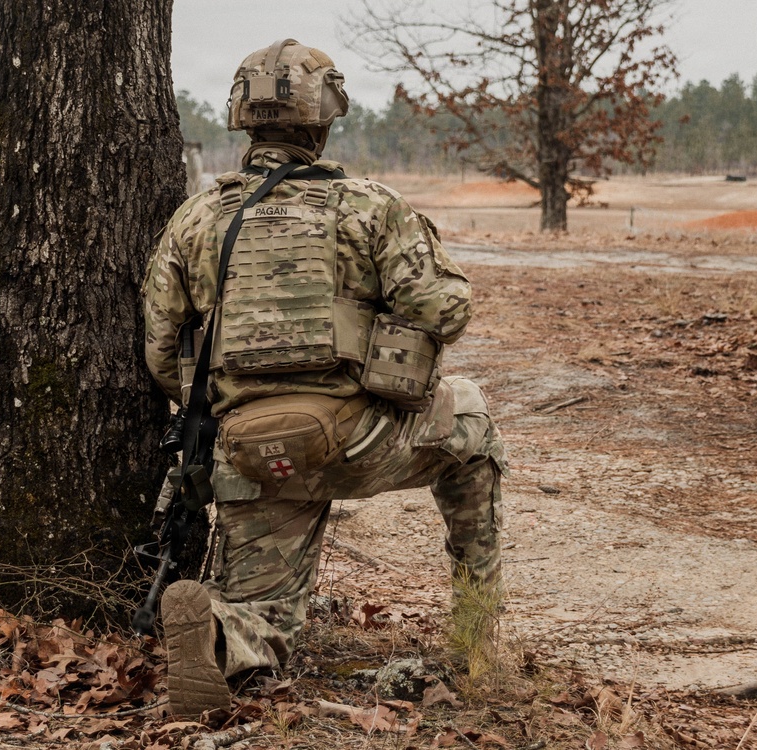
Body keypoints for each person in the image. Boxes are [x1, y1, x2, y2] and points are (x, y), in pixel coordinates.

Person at [142, 39, 507, 717]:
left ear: (242, 119)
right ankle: (477, 635)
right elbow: (446, 310)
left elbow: (163, 356)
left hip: (250, 455)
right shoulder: (369, 207)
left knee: (266, 618)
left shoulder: (196, 220)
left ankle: (222, 636)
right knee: (472, 421)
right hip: (360, 441)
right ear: (325, 118)